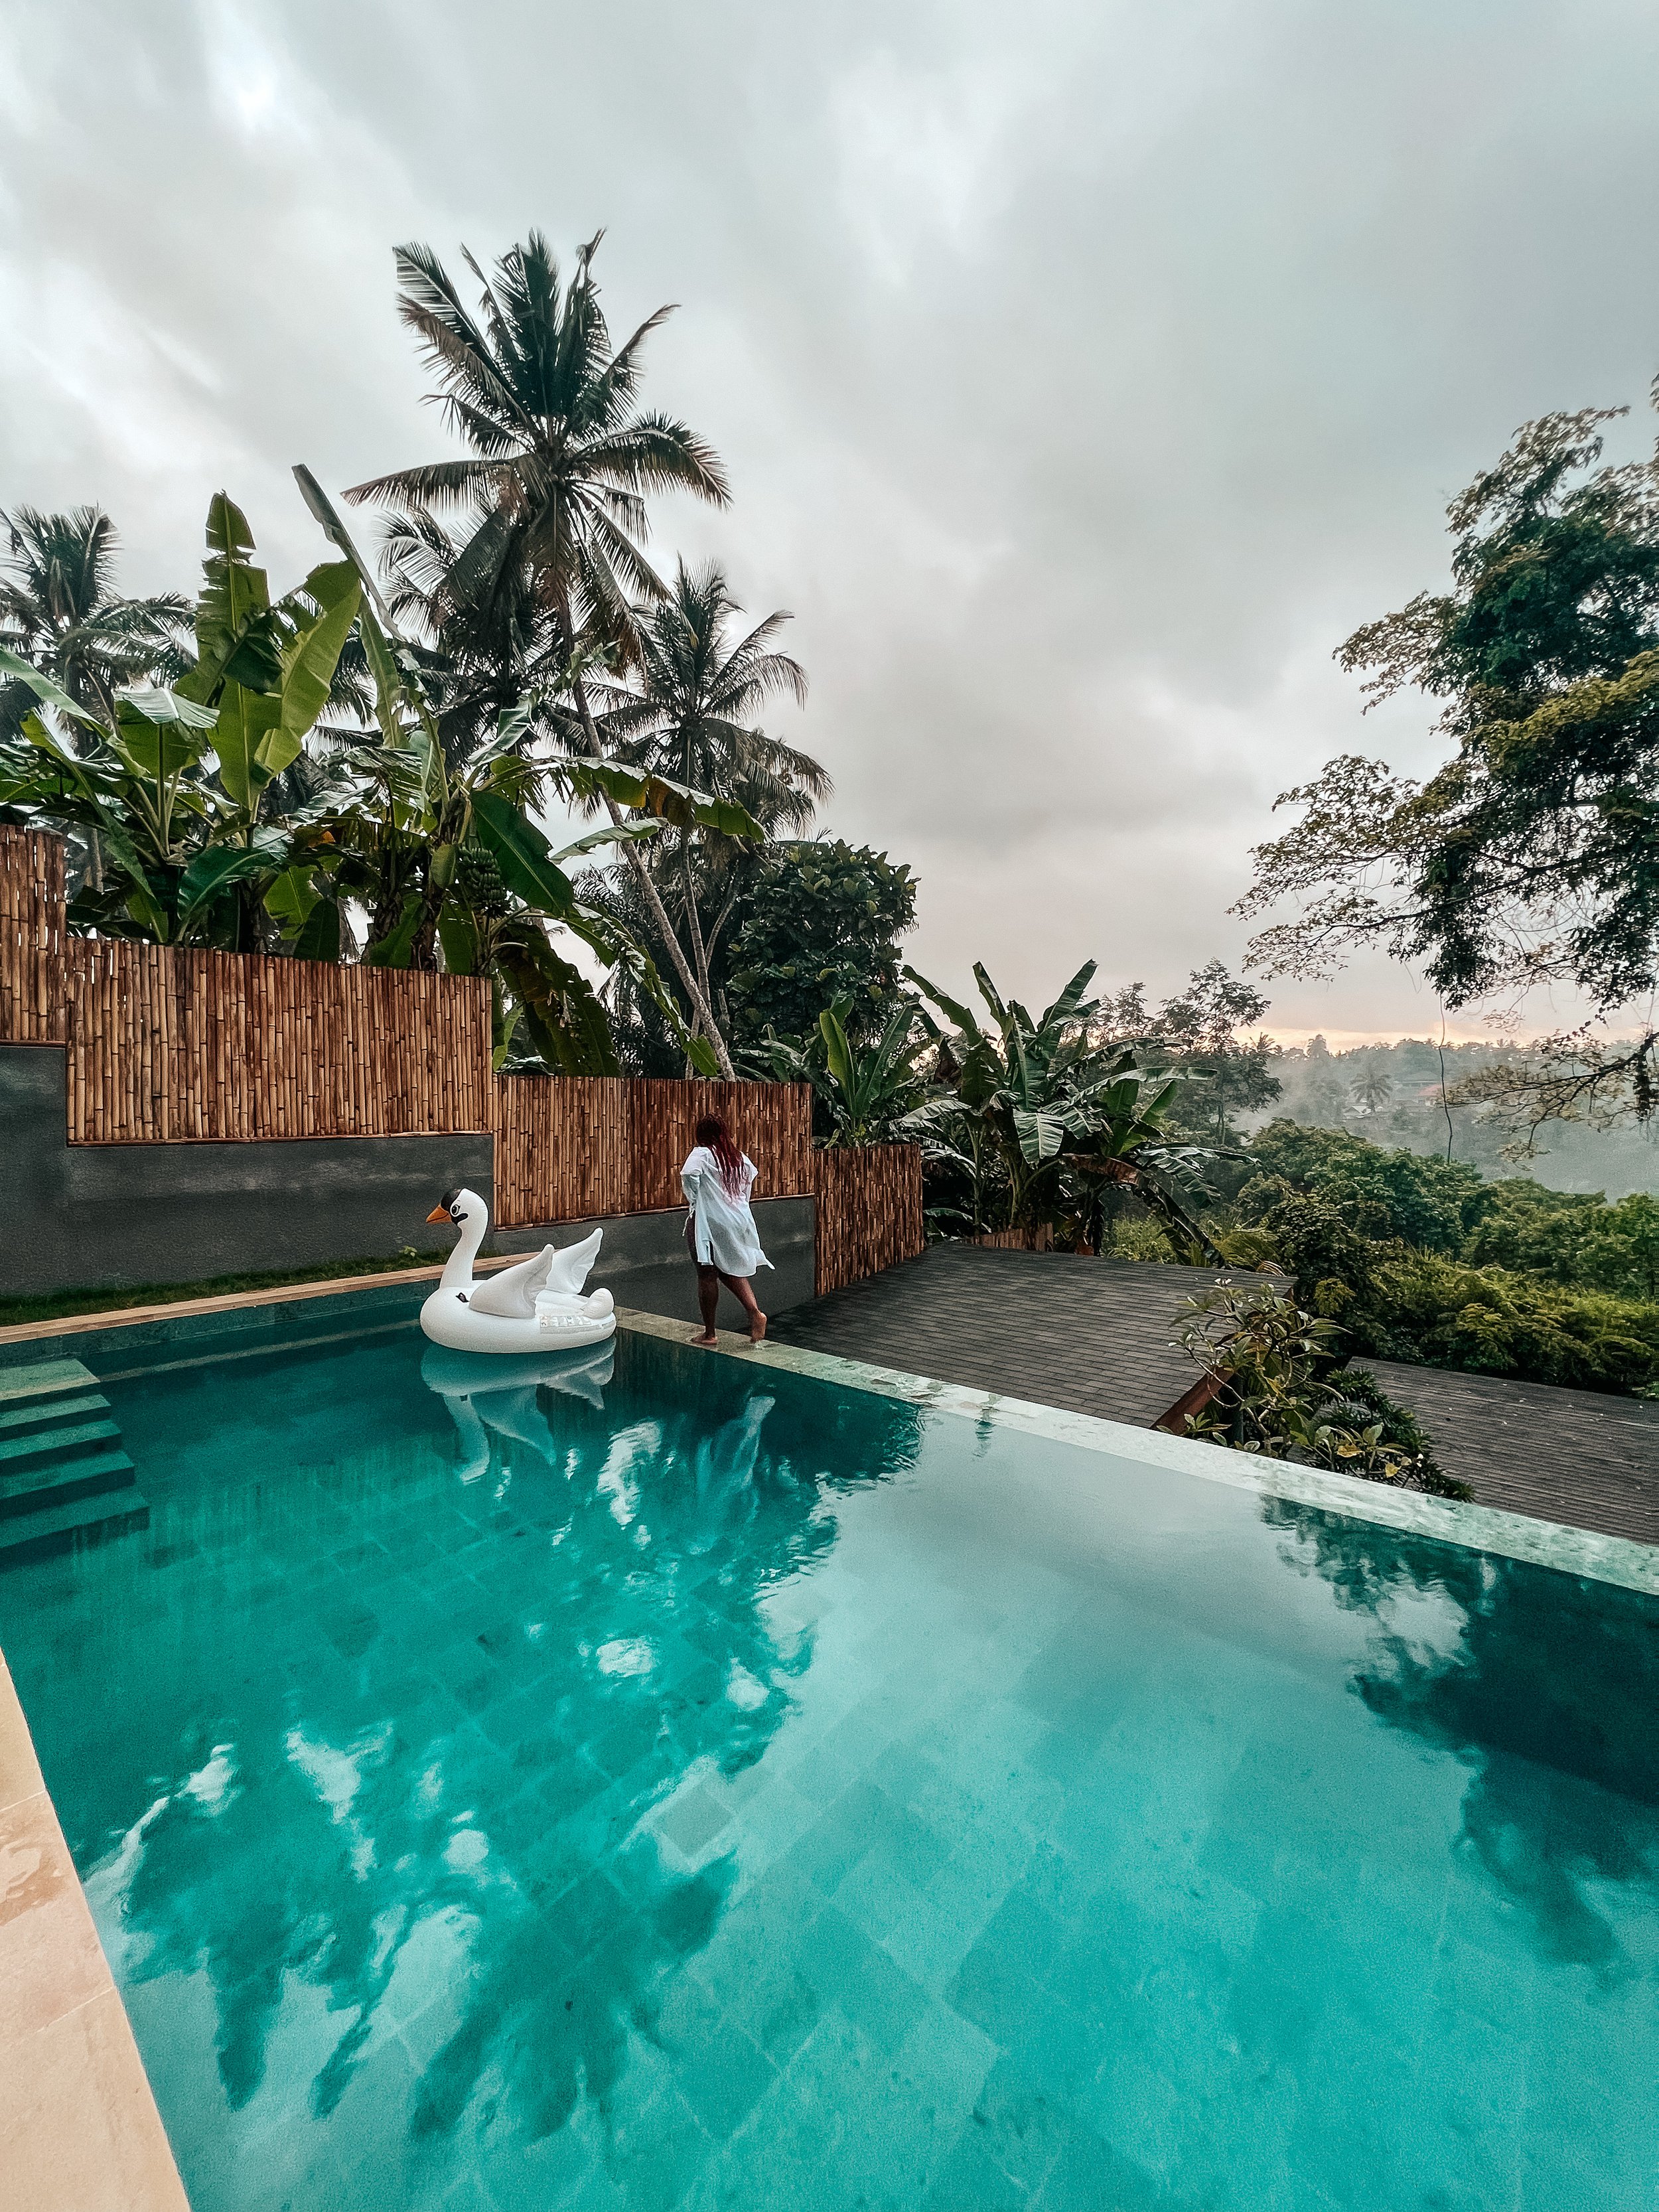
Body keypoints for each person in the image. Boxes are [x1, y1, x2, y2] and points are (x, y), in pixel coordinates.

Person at [681, 1112, 770, 1346]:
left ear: (701, 1135)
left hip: (710, 1220)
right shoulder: (738, 1157)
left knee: (707, 1273)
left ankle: (710, 1333)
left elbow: (689, 1173)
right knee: (729, 1268)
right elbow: (749, 1181)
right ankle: (755, 1313)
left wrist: (694, 1198)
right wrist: (739, 1205)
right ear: (723, 1134)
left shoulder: (702, 1153)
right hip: (738, 1218)